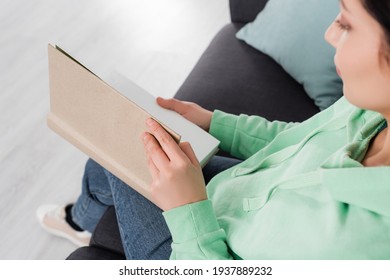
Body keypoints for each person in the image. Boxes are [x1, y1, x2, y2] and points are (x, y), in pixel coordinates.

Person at [37, 0, 390, 259]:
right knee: (120, 146)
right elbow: (302, 137)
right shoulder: (371, 109)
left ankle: (81, 220)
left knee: (119, 135)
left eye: (346, 24)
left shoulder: (363, 241)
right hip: (237, 192)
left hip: (194, 252)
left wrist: (187, 208)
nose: (330, 34)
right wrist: (215, 123)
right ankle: (82, 219)